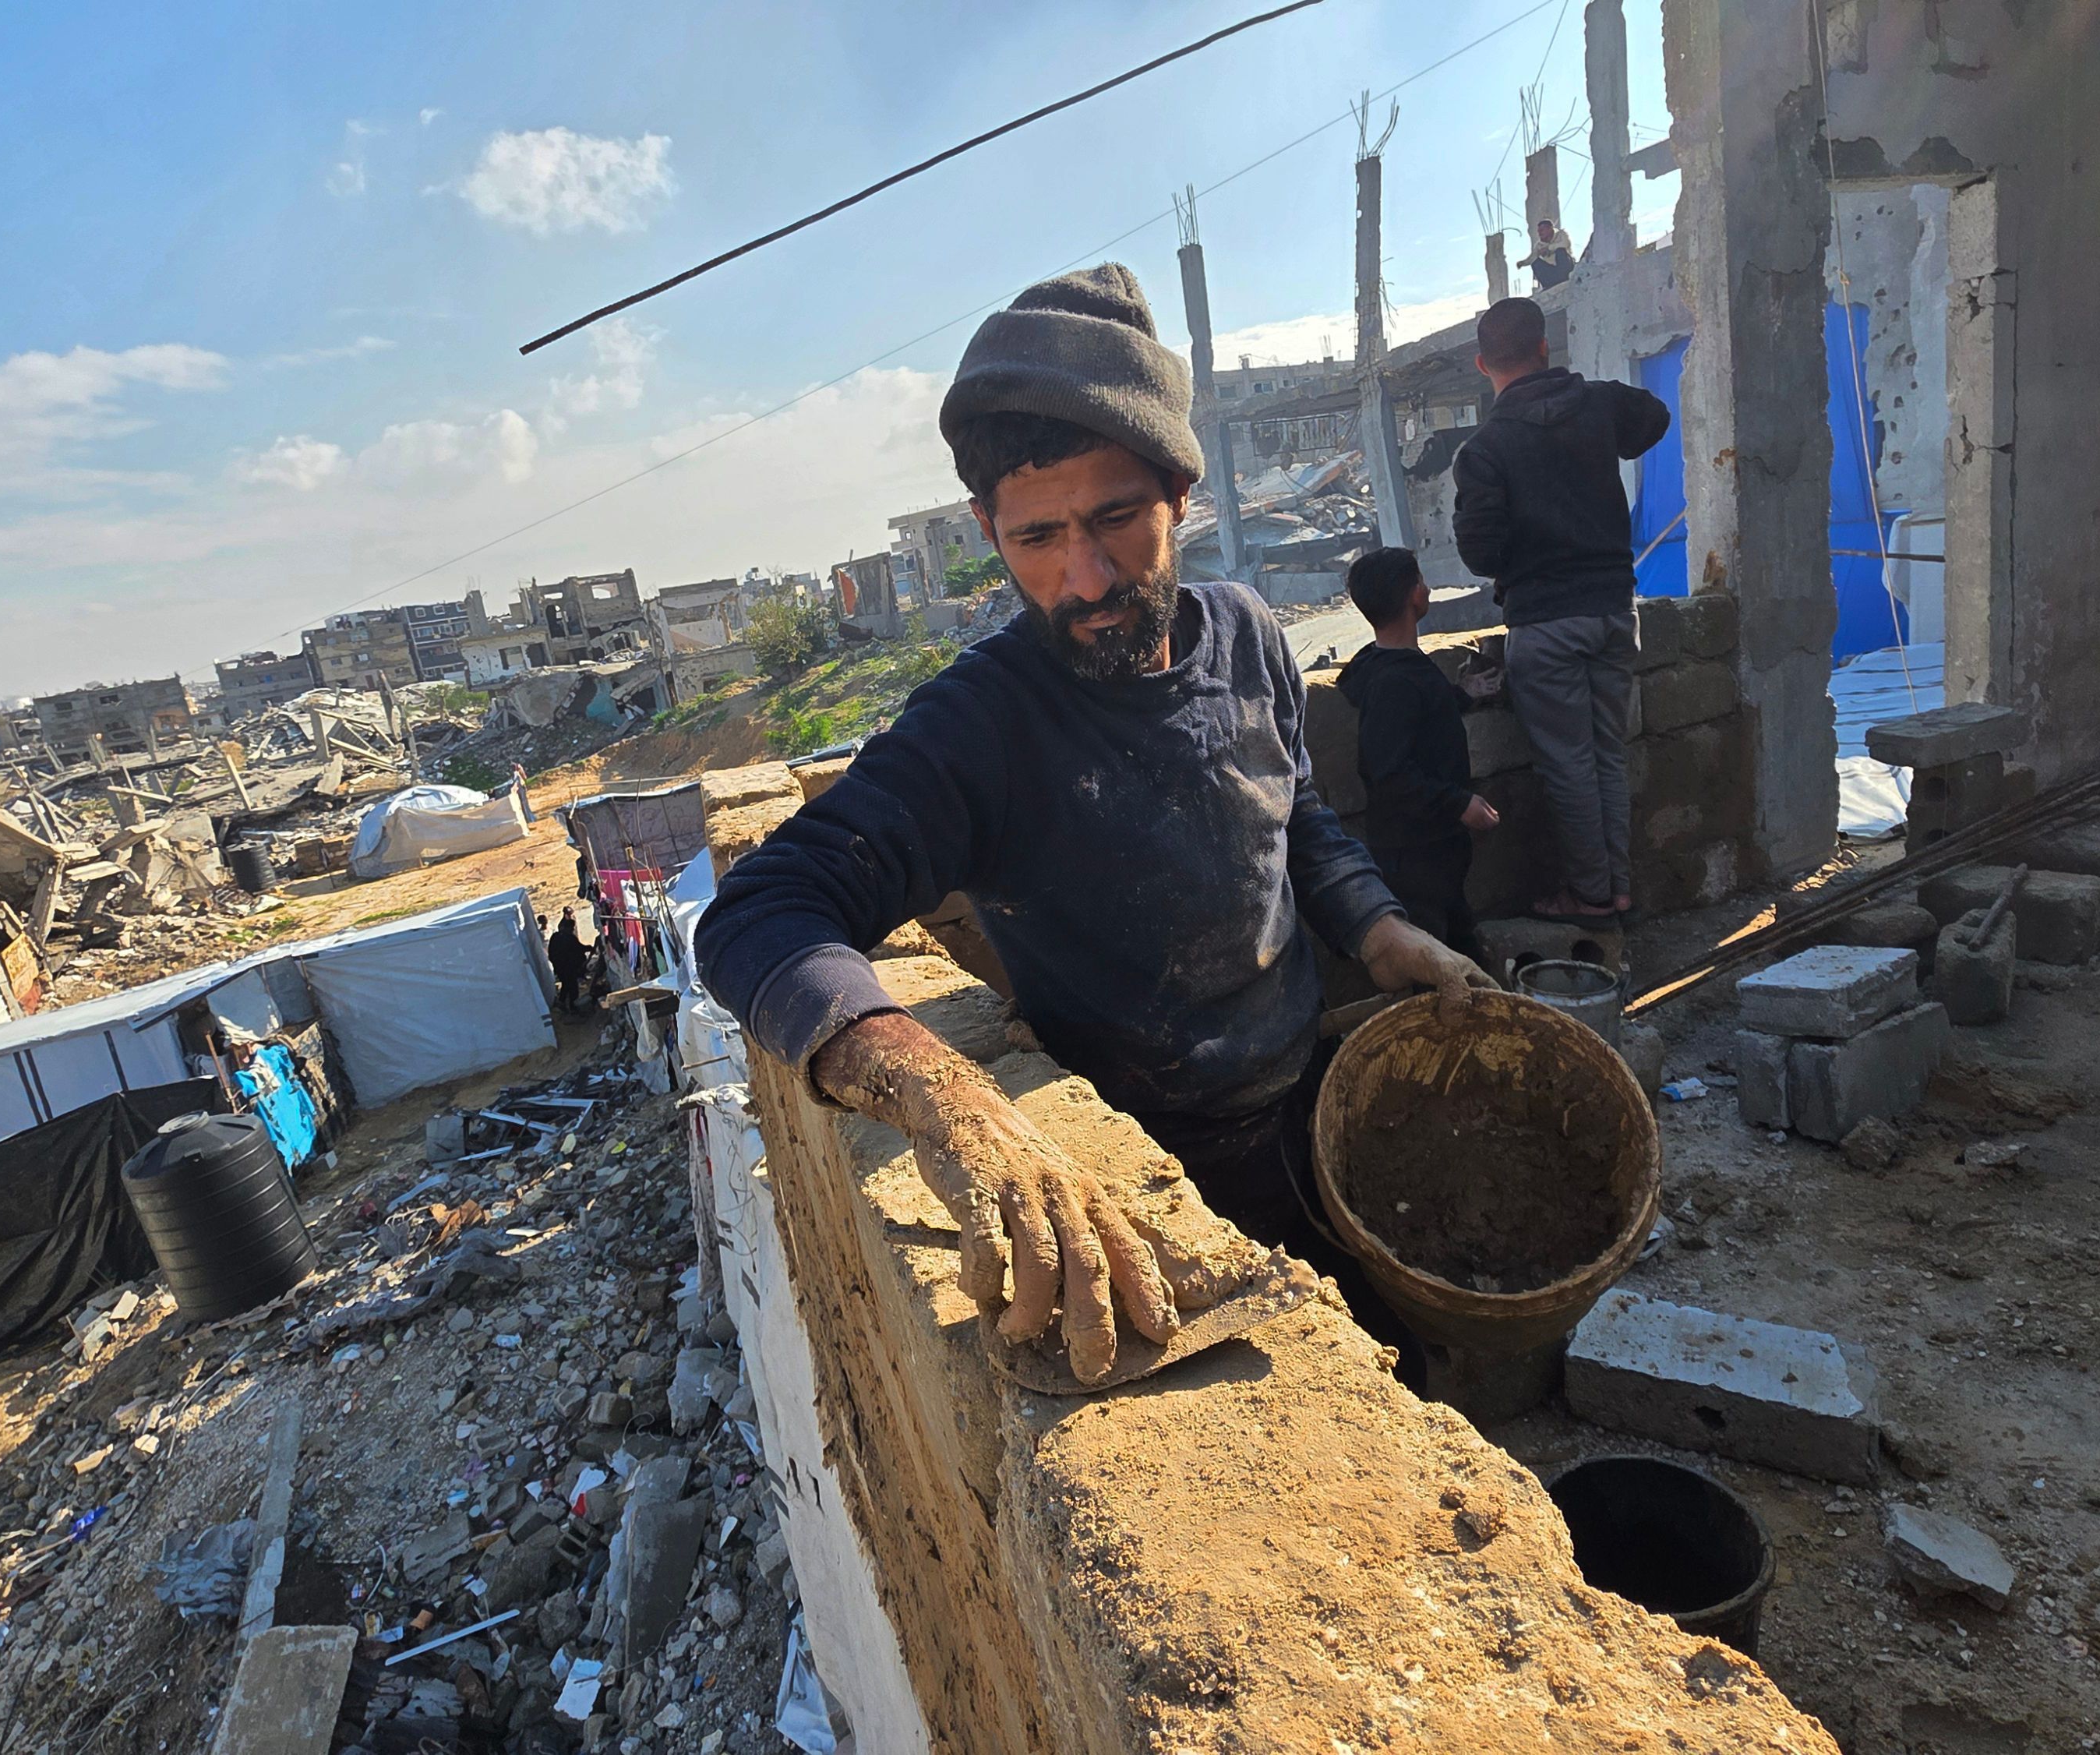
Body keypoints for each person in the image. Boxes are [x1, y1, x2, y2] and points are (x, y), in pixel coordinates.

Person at [697, 265, 1492, 1386]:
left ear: (1177, 490)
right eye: (1035, 539)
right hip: (1147, 1173)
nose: (1085, 577)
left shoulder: (1252, 634)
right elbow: (759, 914)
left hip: (1312, 1105)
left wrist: (1378, 930)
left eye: (1118, 520)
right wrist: (937, 1087)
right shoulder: (980, 727)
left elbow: (1296, 816)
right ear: (986, 526)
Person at [1452, 295, 1671, 922]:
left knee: (1570, 766)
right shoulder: (1597, 404)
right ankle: (1616, 887)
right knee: (1607, 754)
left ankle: (1594, 896)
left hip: (1546, 621)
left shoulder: (1486, 449)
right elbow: (1652, 420)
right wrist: (1591, 410)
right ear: (1546, 349)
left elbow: (1482, 555)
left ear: (1481, 364)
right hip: (1612, 608)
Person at [1336, 547, 1495, 966]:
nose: (1426, 588)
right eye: (1421, 580)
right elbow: (1387, 773)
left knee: (1457, 947)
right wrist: (1460, 803)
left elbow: (1420, 719)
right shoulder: (1395, 683)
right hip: (1416, 852)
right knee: (1429, 961)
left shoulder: (1390, 666)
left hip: (1430, 846)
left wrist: (1461, 694)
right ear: (1413, 597)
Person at [548, 908, 589, 1014]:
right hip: (568, 968)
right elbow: (578, 948)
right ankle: (573, 1007)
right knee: (573, 988)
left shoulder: (555, 937)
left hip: (560, 967)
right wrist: (589, 948)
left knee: (566, 985)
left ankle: (562, 1002)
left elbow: (551, 953)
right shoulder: (569, 938)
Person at [1527, 217, 1577, 289]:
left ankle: (1565, 278)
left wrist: (1549, 248)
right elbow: (1532, 257)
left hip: (1565, 268)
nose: (1540, 233)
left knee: (1560, 251)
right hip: (1553, 272)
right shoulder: (1539, 245)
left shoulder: (1561, 235)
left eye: (1542, 230)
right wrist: (1522, 263)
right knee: (1535, 263)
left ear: (1550, 229)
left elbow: (1565, 244)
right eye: (1539, 231)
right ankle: (1548, 285)